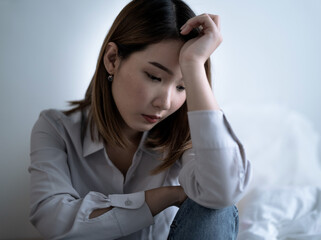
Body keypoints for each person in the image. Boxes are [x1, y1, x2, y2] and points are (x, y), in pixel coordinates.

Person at [28, 0, 251, 239]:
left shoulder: (186, 136)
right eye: (154, 77)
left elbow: (222, 194)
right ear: (112, 59)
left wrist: (194, 66)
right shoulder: (56, 128)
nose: (165, 103)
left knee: (215, 207)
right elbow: (52, 219)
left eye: (182, 86)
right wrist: (164, 196)